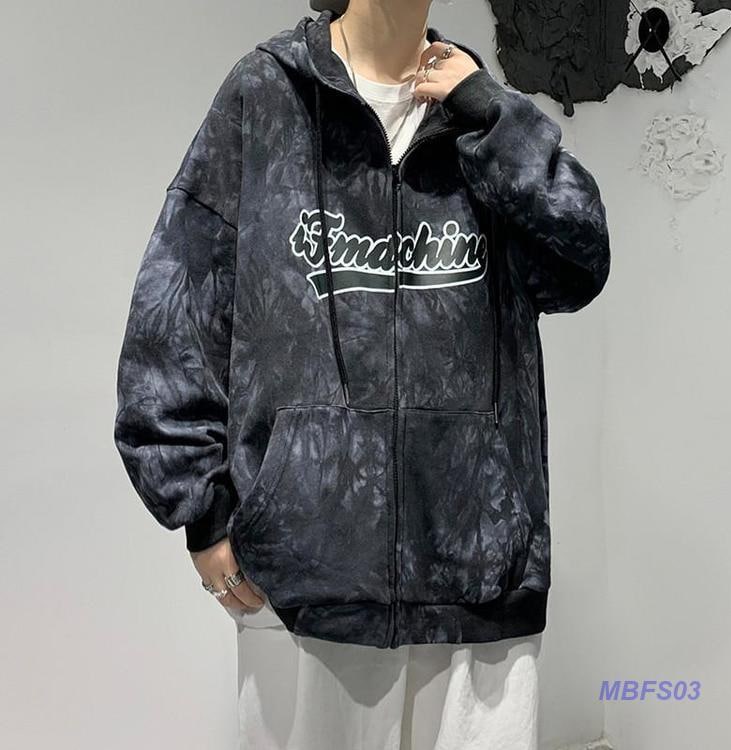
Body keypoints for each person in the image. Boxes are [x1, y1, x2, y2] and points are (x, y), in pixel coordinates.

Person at [114, 1, 610, 747]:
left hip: (478, 580)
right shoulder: (266, 95)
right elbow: (178, 305)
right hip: (303, 578)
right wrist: (203, 514)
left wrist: (492, 114)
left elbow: (579, 264)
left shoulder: (478, 116)